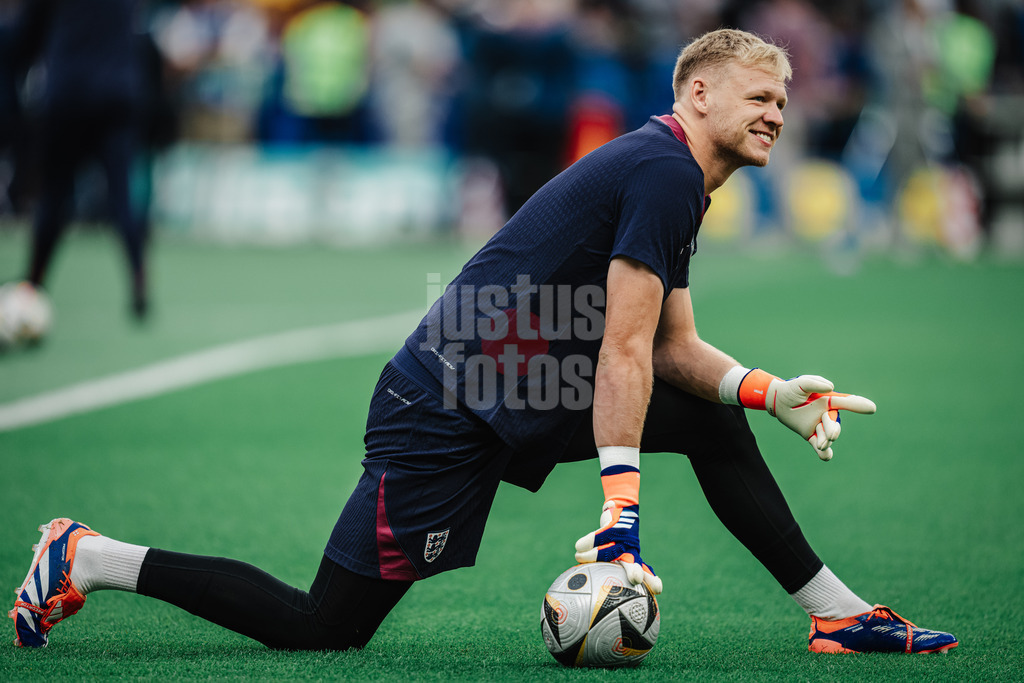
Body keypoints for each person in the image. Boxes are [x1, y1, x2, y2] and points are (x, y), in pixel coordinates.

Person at [10, 29, 958, 656]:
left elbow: (672, 349)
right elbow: (622, 353)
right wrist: (620, 515)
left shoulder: (674, 174)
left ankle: (835, 613)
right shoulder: (666, 172)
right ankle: (87, 553)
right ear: (699, 92)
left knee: (714, 425)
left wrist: (763, 390)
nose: (777, 114)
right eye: (759, 95)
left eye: (784, 102)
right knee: (322, 626)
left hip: (521, 387)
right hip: (447, 403)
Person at [9, 0, 149, 318]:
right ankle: (139, 276)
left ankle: (34, 281)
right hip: (117, 92)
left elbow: (27, 35)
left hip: (68, 92)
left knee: (55, 193)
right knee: (121, 195)